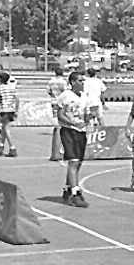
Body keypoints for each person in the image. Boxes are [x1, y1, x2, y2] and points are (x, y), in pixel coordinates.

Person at [56, 70, 93, 208]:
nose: (83, 83)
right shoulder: (65, 96)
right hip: (69, 131)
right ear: (72, 82)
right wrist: (72, 123)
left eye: (83, 81)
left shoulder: (84, 97)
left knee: (78, 163)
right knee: (73, 161)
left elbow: (87, 114)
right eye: (80, 80)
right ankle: (75, 192)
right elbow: (60, 115)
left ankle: (68, 188)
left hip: (81, 132)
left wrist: (90, 117)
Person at [0, 70, 19, 157]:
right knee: (4, 128)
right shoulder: (12, 88)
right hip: (11, 109)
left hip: (4, 109)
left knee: (6, 129)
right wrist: (16, 110)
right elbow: (17, 99)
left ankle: (12, 147)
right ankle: (1, 146)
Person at [46, 67, 68, 161]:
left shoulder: (51, 81)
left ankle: (56, 149)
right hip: (61, 102)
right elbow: (66, 91)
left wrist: (53, 95)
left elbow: (48, 91)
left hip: (53, 101)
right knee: (62, 123)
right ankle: (61, 149)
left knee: (56, 122)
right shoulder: (63, 82)